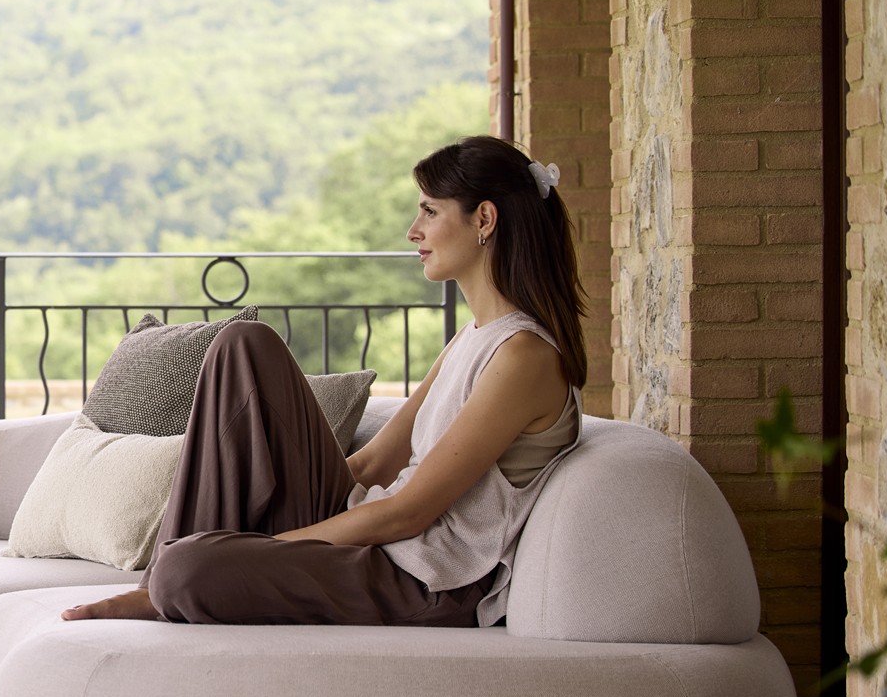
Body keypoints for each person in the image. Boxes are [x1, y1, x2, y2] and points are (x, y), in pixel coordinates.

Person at [62, 135, 587, 628]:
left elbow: (410, 513)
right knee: (243, 343)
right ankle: (161, 585)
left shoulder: (524, 356)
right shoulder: (470, 339)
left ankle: (164, 584)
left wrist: (272, 549)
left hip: (427, 577)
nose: (413, 231)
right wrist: (268, 515)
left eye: (430, 211)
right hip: (381, 537)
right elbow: (372, 465)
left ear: (484, 219)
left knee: (186, 570)